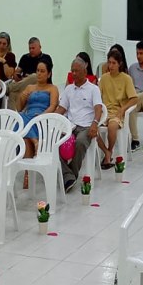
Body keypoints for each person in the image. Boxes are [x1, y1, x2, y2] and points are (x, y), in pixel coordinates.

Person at [57, 57, 104, 192]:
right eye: (72, 71)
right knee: (55, 142)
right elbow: (62, 108)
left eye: (77, 71)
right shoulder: (68, 89)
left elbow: (98, 108)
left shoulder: (93, 89)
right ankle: (68, 176)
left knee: (80, 142)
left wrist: (95, 123)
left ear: (84, 71)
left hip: (86, 126)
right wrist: (51, 119)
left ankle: (70, 175)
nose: (74, 74)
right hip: (70, 126)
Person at [97, 48, 139, 169]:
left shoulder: (126, 79)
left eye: (113, 63)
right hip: (104, 112)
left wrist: (123, 109)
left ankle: (109, 152)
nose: (110, 66)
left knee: (112, 126)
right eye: (109, 62)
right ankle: (106, 151)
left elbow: (134, 99)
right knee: (91, 127)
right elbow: (97, 96)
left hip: (117, 113)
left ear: (119, 64)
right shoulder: (104, 78)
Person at [18, 61, 59, 158]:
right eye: (38, 70)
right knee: (19, 117)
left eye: (42, 71)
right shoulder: (29, 87)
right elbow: (19, 108)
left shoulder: (52, 88)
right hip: (28, 116)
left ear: (49, 74)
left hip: (42, 118)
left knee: (24, 131)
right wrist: (22, 97)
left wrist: (42, 115)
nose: (39, 73)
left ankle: (34, 143)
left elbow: (53, 106)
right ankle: (35, 141)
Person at [8, 37, 53, 108]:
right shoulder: (25, 57)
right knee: (12, 94)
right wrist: (18, 76)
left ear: (40, 47)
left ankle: (9, 88)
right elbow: (17, 72)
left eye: (33, 48)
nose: (31, 50)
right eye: (30, 48)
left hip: (40, 85)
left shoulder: (46, 58)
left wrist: (30, 77)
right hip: (25, 86)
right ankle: (13, 114)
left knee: (35, 76)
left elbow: (44, 75)